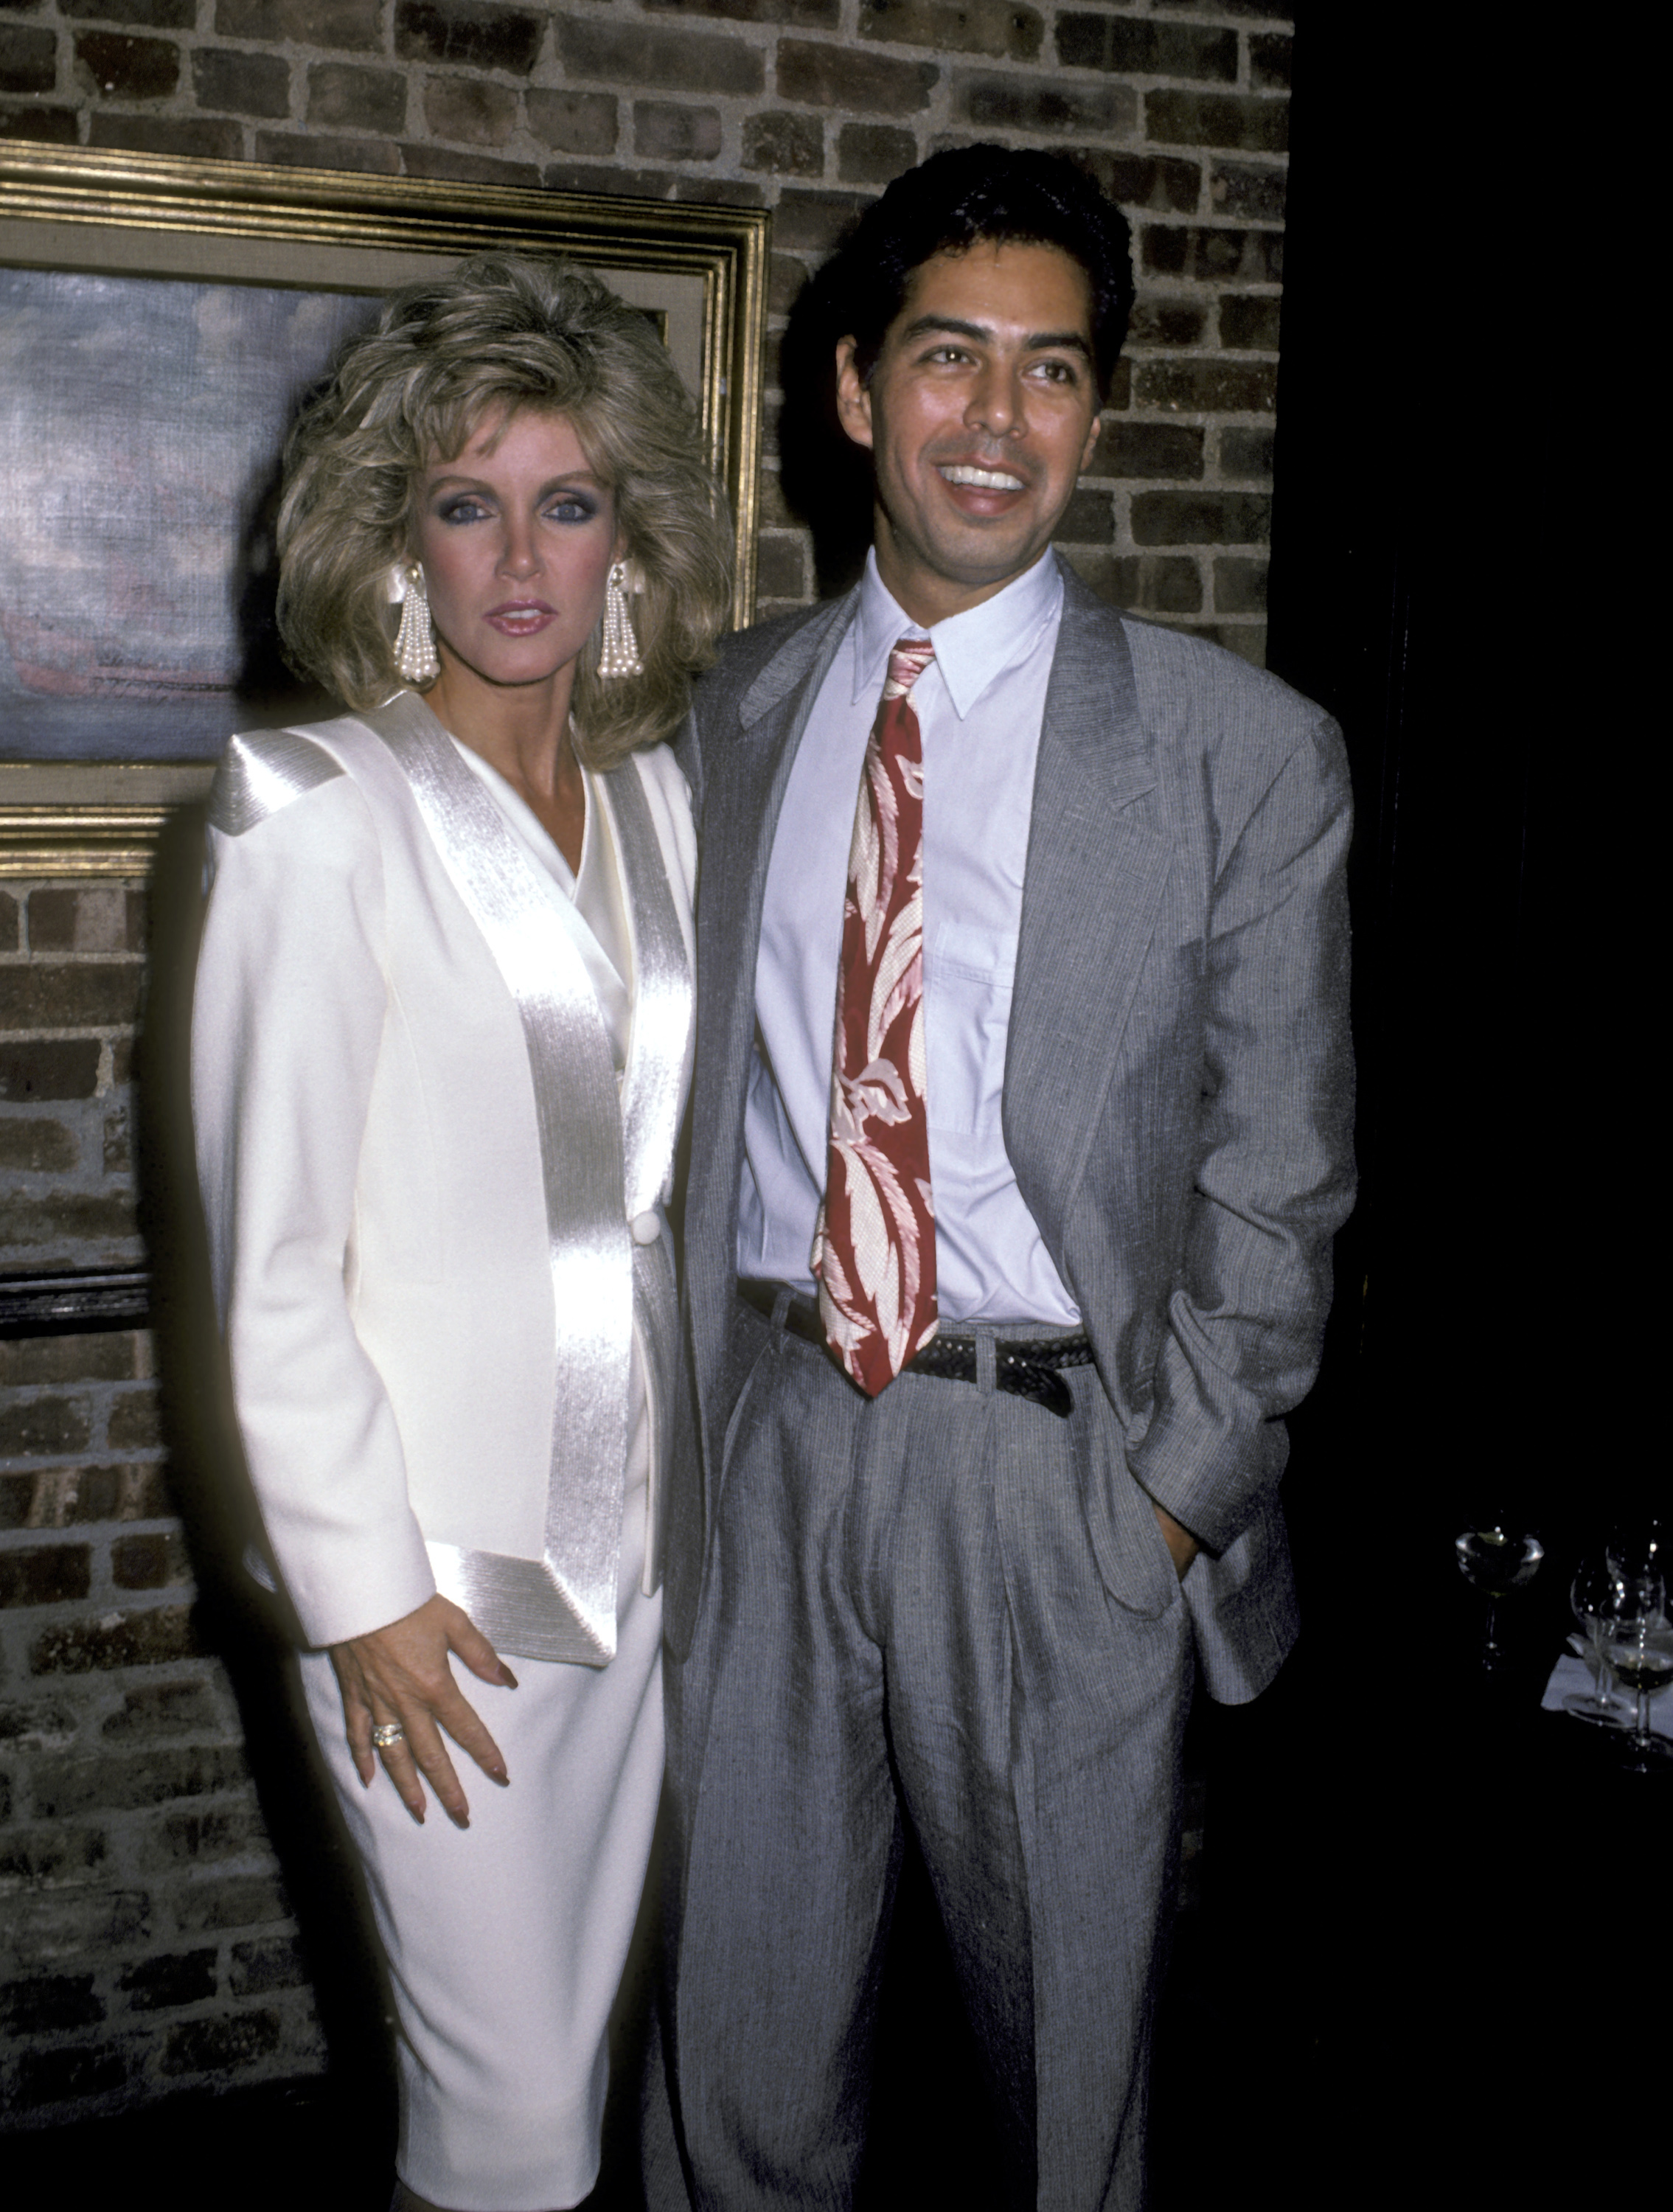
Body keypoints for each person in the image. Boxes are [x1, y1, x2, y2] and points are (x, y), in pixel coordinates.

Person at [653, 146, 1355, 2208]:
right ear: (858, 389)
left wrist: (1170, 1496)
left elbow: (1287, 1176)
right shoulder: (736, 718)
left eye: (1053, 375)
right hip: (775, 1437)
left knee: (1070, 2086)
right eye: (952, 360)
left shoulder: (1241, 751)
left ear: (1095, 417)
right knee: (739, 2051)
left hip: (1059, 1471)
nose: (998, 419)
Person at [191, 256, 731, 2212]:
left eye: (566, 502)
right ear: (398, 539)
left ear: (628, 542)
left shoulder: (662, 805)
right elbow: (273, 1268)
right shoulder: (312, 815)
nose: (523, 556)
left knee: (571, 2088)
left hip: (648, 1565)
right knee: (498, 2127)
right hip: (440, 1598)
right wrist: (361, 1598)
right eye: (467, 502)